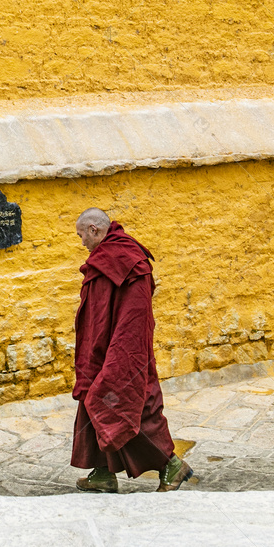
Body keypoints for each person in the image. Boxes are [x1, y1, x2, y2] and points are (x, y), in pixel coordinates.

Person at [71, 207, 192, 493]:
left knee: (127, 404)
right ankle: (102, 473)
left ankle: (172, 465)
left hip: (122, 350)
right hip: (98, 349)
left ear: (94, 229)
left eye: (81, 236)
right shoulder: (105, 258)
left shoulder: (130, 262)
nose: (81, 243)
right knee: (93, 402)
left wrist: (120, 358)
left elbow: (135, 318)